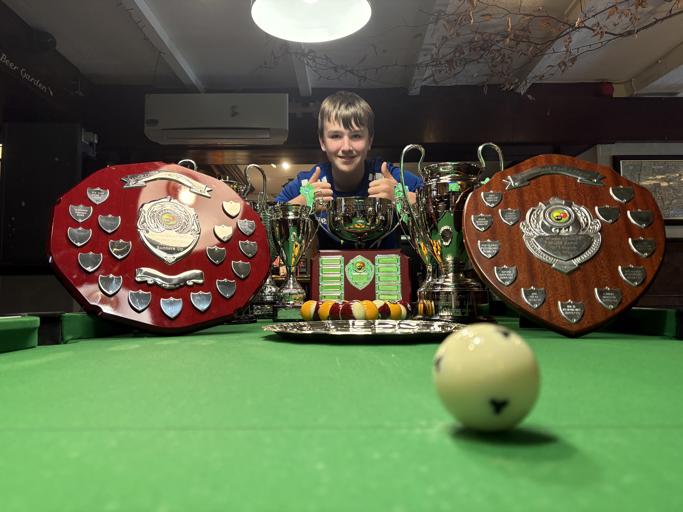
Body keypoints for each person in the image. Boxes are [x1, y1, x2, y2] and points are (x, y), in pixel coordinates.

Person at [275, 91, 423, 249]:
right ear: (322, 142)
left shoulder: (388, 176)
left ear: (370, 140)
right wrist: (299, 207)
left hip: (387, 265)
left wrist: (401, 198)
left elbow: (440, 209)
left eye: (356, 136)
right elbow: (265, 229)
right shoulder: (307, 184)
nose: (346, 147)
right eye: (335, 136)